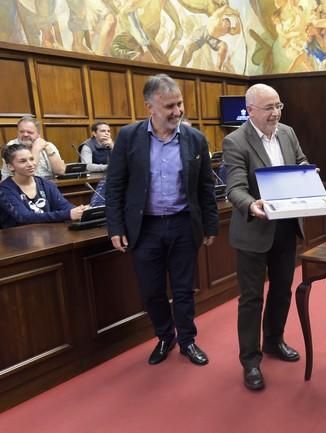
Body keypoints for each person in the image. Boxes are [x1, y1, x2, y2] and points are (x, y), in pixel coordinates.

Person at [105, 74, 218, 366]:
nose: (177, 111)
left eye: (179, 104)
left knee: (183, 289)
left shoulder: (195, 139)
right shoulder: (129, 137)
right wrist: (115, 226)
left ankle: (187, 341)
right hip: (146, 227)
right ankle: (165, 336)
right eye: (169, 106)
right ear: (149, 107)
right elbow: (115, 186)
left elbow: (206, 186)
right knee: (151, 290)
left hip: (183, 224)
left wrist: (211, 225)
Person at [222, 83, 307, 391]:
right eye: (269, 108)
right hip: (253, 230)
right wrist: (251, 205)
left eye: (278, 106)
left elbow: (298, 161)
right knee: (251, 299)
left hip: (285, 227)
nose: (276, 114)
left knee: (282, 290)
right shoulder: (235, 141)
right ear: (251, 110)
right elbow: (234, 188)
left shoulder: (287, 132)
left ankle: (274, 341)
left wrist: (306, 172)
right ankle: (250, 361)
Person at [0, 143, 87, 228]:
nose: (30, 164)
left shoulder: (46, 184)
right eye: (23, 161)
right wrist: (68, 214)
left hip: (49, 234)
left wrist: (80, 211)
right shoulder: (5, 189)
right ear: (11, 167)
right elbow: (24, 217)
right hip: (18, 237)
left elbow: (64, 206)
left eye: (31, 159)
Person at [1, 116, 66, 180]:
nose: (25, 135)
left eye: (30, 132)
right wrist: (36, 150)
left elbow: (60, 171)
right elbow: (27, 176)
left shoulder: (48, 145)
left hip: (48, 185)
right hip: (19, 187)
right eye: (21, 132)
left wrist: (50, 150)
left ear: (38, 134)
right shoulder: (11, 146)